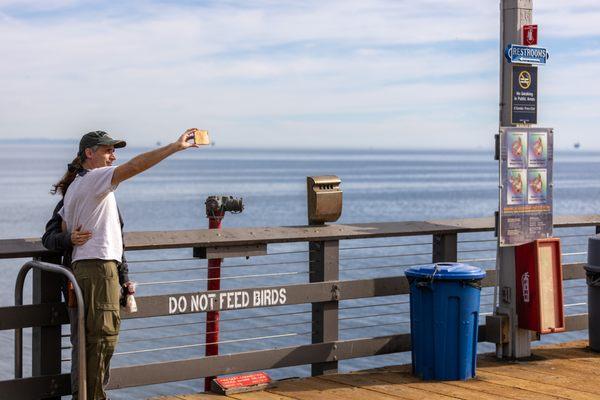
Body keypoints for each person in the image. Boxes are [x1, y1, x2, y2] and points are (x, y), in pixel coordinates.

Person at [56, 128, 202, 399]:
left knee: (89, 340)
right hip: (99, 269)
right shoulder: (94, 179)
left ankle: (85, 395)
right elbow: (135, 166)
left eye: (114, 151)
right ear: (89, 153)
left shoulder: (75, 185)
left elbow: (65, 225)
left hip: (84, 269)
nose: (113, 156)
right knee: (102, 338)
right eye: (108, 150)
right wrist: (173, 147)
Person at [42, 199, 131, 398]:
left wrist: (125, 280)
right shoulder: (70, 201)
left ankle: (97, 394)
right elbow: (48, 238)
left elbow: (118, 245)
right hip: (77, 286)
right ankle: (80, 394)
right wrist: (69, 238)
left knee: (104, 341)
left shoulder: (109, 202)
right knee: (82, 343)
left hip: (108, 282)